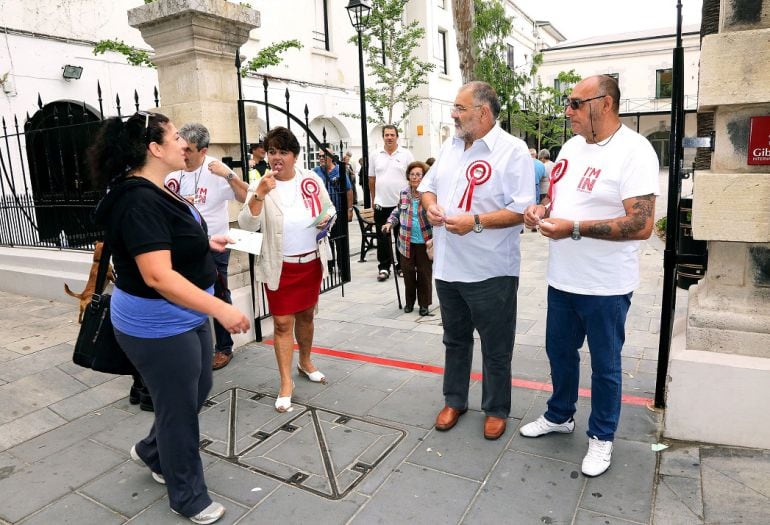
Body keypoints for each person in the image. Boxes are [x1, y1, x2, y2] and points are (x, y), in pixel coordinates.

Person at [91, 111, 250, 524]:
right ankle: (187, 494)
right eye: (176, 136)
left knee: (197, 388)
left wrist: (205, 243)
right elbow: (157, 274)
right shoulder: (137, 198)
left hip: (188, 315)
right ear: (155, 149)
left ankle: (151, 450)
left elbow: (171, 244)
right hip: (158, 324)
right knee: (178, 407)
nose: (185, 142)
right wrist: (222, 309)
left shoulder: (159, 187)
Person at [520, 75, 659, 477]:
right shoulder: (570, 146)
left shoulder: (635, 151)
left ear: (606, 103)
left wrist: (574, 228)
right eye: (569, 103)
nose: (568, 111)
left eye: (577, 104)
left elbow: (642, 224)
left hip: (606, 285)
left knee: (605, 365)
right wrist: (542, 210)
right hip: (563, 278)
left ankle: (601, 437)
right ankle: (560, 415)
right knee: (559, 354)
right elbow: (558, 198)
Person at [419, 81, 535, 441]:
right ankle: (454, 400)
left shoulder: (513, 151)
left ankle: (496, 408)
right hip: (448, 267)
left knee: (496, 346)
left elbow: (522, 210)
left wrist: (476, 222)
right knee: (455, 340)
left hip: (491, 270)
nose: (453, 114)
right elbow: (426, 186)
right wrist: (431, 205)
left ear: (483, 112)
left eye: (459, 108)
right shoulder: (451, 146)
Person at [238, 127, 336, 413]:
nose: (276, 158)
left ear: (295, 156)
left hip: (310, 263)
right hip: (280, 266)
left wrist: (326, 219)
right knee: (282, 324)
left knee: (306, 316)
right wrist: (259, 195)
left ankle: (305, 362)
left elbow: (330, 208)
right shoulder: (262, 184)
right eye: (272, 152)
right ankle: (285, 382)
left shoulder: (310, 179)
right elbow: (247, 225)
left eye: (283, 152)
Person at [164, 124, 249, 371]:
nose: (183, 154)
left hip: (215, 245)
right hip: (180, 246)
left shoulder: (215, 170)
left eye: (189, 150)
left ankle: (224, 347)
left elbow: (246, 197)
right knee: (182, 296)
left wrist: (229, 174)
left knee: (218, 294)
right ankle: (189, 346)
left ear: (203, 150)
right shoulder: (173, 170)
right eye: (181, 147)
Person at [382, 161, 433, 316]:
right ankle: (409, 302)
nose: (415, 177)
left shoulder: (429, 194)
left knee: (424, 274)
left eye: (418, 174)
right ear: (408, 177)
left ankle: (424, 304)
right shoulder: (404, 193)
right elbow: (398, 211)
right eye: (412, 174)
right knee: (408, 273)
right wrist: (390, 222)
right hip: (406, 241)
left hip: (425, 242)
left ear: (424, 177)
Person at [369, 125, 415, 281]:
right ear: (383, 136)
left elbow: (413, 177)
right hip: (381, 204)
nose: (389, 137)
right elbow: (371, 179)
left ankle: (401, 267)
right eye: (386, 135)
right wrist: (374, 199)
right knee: (383, 238)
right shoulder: (375, 155)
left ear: (397, 136)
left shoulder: (406, 154)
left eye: (392, 134)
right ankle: (384, 268)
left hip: (402, 205)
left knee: (401, 237)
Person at [314, 150, 353, 223]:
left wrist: (350, 210)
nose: (321, 158)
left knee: (338, 233)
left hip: (339, 212)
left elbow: (349, 190)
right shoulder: (316, 171)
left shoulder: (339, 170)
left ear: (331, 157)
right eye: (319, 156)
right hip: (323, 213)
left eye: (324, 156)